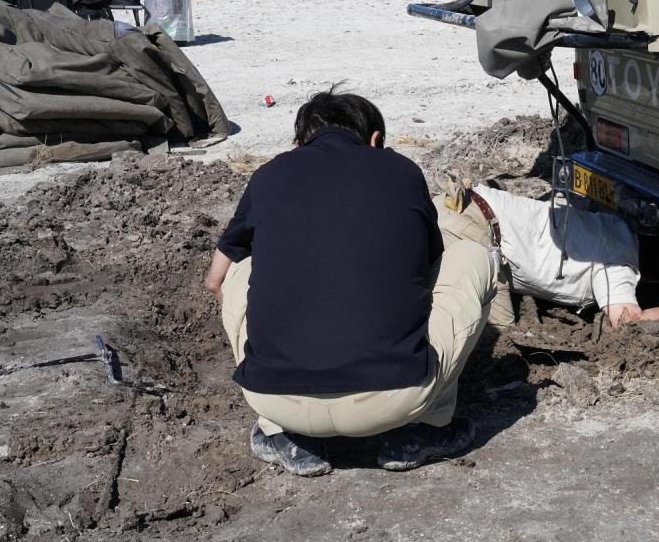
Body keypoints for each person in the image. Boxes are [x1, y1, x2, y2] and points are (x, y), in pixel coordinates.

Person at [204, 89, 495, 477]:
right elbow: (429, 266)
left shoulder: (268, 174)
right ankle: (426, 428)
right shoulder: (401, 171)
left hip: (273, 398)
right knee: (472, 256)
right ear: (375, 140)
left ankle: (282, 434)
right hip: (394, 400)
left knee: (240, 265)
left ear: (298, 143)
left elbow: (215, 279)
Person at [433, 175, 659, 327]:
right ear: (652, 276)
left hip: (459, 200)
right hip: (471, 234)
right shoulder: (619, 265)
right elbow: (628, 323)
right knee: (499, 337)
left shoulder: (611, 221)